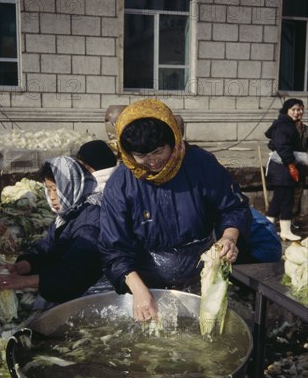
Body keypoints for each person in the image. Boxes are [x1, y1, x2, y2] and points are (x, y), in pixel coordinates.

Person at [98, 98, 252, 321]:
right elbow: (113, 249)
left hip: (200, 273)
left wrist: (229, 238)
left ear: (175, 140)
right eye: (141, 156)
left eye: (159, 151)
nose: (152, 162)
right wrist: (140, 291)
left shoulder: (201, 165)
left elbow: (233, 207)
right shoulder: (120, 184)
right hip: (144, 278)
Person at [0, 154, 109, 304]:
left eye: (56, 189)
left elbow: (74, 274)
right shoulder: (69, 213)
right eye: (48, 190)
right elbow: (47, 246)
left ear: (72, 185)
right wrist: (25, 265)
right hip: (67, 286)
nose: (53, 197)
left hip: (95, 298)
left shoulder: (90, 223)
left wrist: (25, 281)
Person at [265, 98, 306, 241]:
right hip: (283, 169)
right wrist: (291, 165)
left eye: (300, 109)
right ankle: (285, 231)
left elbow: (273, 140)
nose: (297, 112)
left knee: (277, 199)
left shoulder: (286, 124)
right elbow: (283, 146)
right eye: (294, 109)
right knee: (287, 200)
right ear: (287, 110)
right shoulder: (285, 126)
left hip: (281, 168)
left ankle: (267, 229)